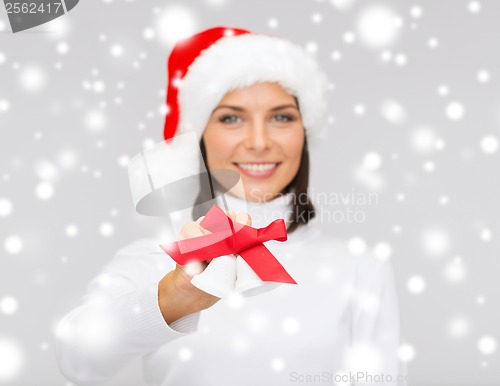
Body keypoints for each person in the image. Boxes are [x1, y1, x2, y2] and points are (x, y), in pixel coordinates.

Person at [55, 26, 407, 386]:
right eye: (231, 118)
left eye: (281, 116)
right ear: (199, 136)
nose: (259, 141)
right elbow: (76, 358)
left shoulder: (360, 269)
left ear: (305, 132)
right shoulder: (155, 258)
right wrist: (172, 299)